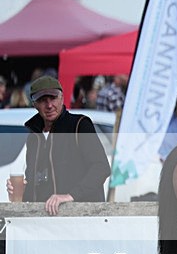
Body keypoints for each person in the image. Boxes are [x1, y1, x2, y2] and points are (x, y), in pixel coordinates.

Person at [5, 75, 110, 214]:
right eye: (43, 100)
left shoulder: (79, 124)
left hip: (81, 217)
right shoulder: (34, 138)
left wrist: (70, 196)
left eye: (53, 98)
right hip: (47, 221)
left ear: (62, 98)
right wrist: (22, 193)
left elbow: (101, 168)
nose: (49, 105)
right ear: (35, 104)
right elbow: (37, 185)